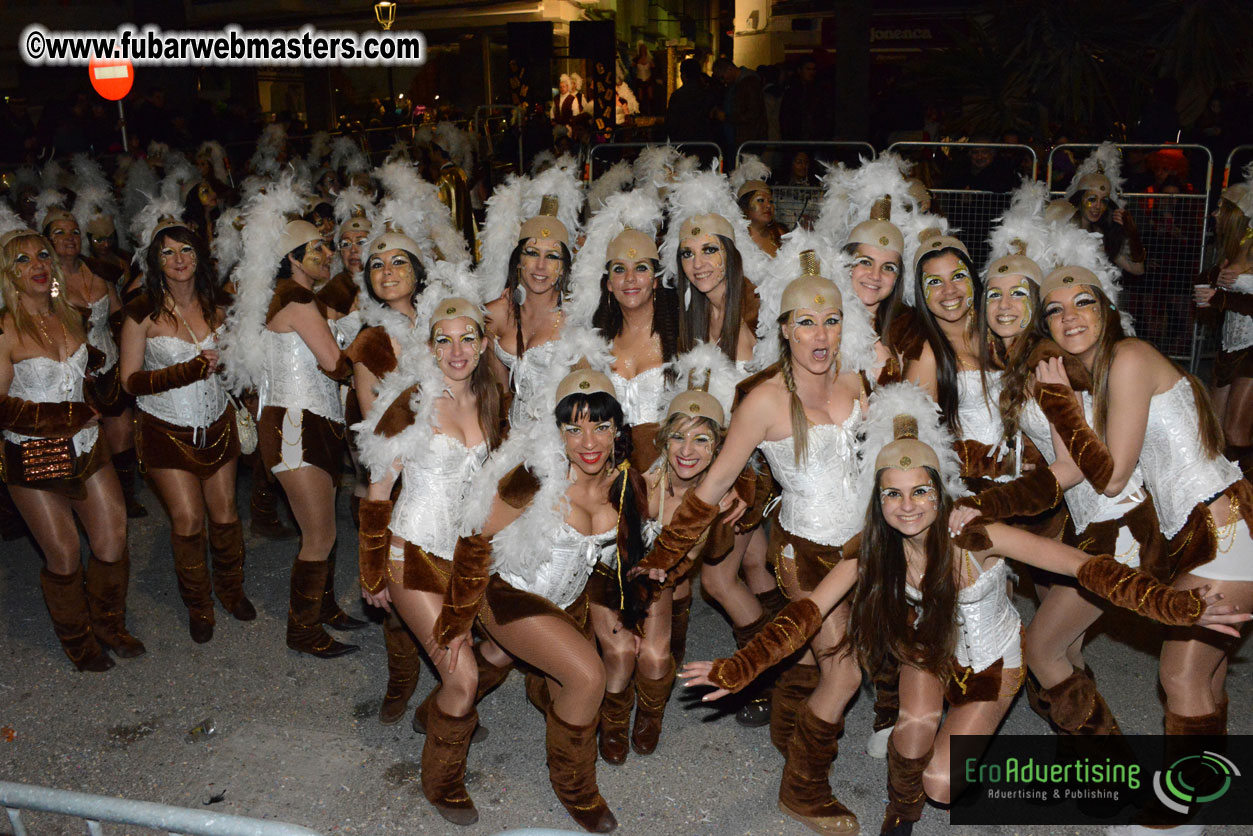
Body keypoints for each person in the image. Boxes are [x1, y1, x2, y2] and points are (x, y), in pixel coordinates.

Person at [680, 384, 1247, 836]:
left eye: (920, 492)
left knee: (944, 784)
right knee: (914, 729)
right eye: (892, 494)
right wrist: (738, 669)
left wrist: (1173, 606)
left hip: (991, 665)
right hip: (927, 654)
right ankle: (898, 813)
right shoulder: (870, 551)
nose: (907, 507)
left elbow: (1082, 569)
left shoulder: (978, 534)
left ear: (941, 491)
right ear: (877, 500)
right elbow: (800, 618)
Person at [633, 249, 876, 834]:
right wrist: (662, 558)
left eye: (832, 320)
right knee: (845, 675)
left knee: (818, 655)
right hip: (805, 556)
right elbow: (713, 485)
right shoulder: (763, 399)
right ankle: (803, 789)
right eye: (805, 323)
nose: (821, 335)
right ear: (783, 330)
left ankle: (787, 725)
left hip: (864, 549)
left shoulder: (860, 378)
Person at [1032, 263, 1253, 743]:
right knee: (1207, 677)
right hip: (1201, 531)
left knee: (1181, 676)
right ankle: (1204, 787)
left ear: (1108, 310)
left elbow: (1111, 478)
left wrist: (1059, 403)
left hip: (1223, 528)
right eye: (1054, 310)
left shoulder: (1129, 357)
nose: (1069, 317)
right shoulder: (1111, 370)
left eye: (1084, 302)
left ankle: (1177, 815)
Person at [433, 366, 651, 833]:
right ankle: (575, 789)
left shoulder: (628, 484)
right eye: (573, 428)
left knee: (510, 665)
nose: (588, 441)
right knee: (586, 677)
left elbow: (614, 566)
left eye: (600, 426)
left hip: (569, 604)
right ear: (557, 432)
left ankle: (435, 712)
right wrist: (454, 623)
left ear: (618, 430)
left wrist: (626, 614)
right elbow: (474, 539)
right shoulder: (532, 477)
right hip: (509, 595)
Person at [355, 287, 507, 824]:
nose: (457, 350)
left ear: (485, 343)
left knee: (484, 658)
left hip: (465, 557)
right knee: (463, 678)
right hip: (411, 554)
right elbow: (377, 491)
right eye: (444, 340)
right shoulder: (412, 401)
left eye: (468, 338)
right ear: (429, 346)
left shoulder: (491, 398)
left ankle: (441, 711)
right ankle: (441, 781)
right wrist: (372, 570)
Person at [0, 225, 145, 670]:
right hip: (32, 455)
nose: (37, 266)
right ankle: (78, 639)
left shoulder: (71, 317)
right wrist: (63, 418)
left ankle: (109, 623)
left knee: (112, 538)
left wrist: (101, 397)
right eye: (23, 261)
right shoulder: (5, 330)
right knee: (63, 552)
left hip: (87, 446)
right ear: (10, 274)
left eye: (42, 256)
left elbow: (84, 383)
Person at [119, 220, 253, 644]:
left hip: (217, 423)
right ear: (156, 262)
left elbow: (240, 363)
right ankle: (199, 604)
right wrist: (188, 369)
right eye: (168, 253)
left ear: (199, 257)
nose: (178, 260)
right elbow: (129, 382)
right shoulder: (141, 311)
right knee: (189, 518)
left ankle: (231, 590)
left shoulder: (219, 305)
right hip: (165, 429)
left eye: (186, 251)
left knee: (226, 513)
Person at [245, 219, 365, 658]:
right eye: (318, 248)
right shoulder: (294, 299)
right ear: (293, 258)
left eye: (327, 246)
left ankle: (326, 609)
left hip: (312, 421)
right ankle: (303, 630)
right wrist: (374, 344)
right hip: (295, 424)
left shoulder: (299, 297)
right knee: (318, 535)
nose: (328, 253)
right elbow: (335, 363)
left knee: (324, 529)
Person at [42, 207, 147, 517]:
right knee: (82, 439)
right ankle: (83, 501)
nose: (68, 238)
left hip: (110, 366)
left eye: (74, 231)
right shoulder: (49, 281)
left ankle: (125, 497)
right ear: (46, 241)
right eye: (58, 232)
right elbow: (48, 323)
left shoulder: (98, 270)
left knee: (123, 431)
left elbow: (116, 314)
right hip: (73, 371)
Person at [485, 196, 573, 423]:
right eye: (532, 253)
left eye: (552, 256)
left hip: (559, 439)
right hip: (512, 436)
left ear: (563, 269)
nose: (540, 265)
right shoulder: (498, 312)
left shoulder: (574, 319)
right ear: (518, 262)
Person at [1195, 176, 1253, 481]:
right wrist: (1209, 301)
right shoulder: (1230, 251)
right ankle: (1222, 495)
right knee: (1215, 428)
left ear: (1237, 215)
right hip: (1230, 347)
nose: (1215, 213)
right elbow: (1221, 304)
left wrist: (1222, 297)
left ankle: (1245, 504)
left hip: (1252, 350)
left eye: (1222, 207)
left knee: (1236, 430)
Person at [737, 180, 785, 256]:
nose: (768, 205)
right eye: (760, 200)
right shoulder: (735, 237)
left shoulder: (781, 234)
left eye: (771, 201)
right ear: (745, 205)